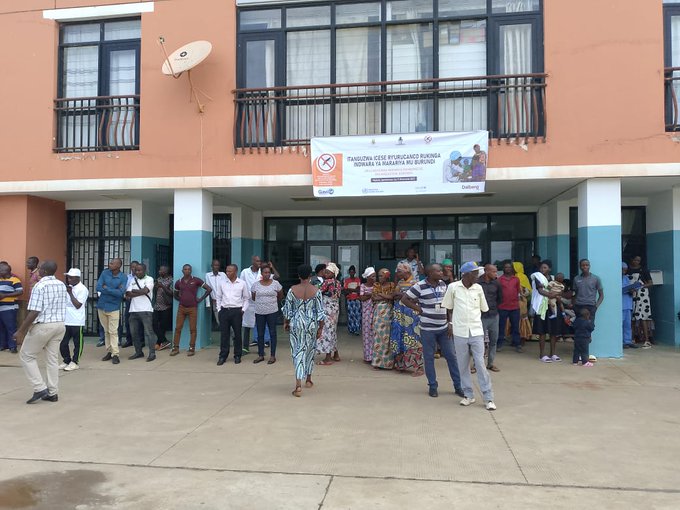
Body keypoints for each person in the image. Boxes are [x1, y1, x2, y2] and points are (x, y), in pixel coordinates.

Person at [401, 264, 463, 398]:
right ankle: (433, 386)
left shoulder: (443, 285)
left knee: (451, 357)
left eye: (441, 270)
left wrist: (450, 323)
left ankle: (458, 386)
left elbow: (448, 305)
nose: (441, 272)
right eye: (438, 271)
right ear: (430, 273)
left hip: (444, 328)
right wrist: (419, 309)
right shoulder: (419, 286)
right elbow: (405, 299)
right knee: (429, 358)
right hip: (427, 329)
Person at [441, 261, 496, 410]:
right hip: (460, 332)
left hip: (476, 331)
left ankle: (488, 398)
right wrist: (450, 324)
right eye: (475, 273)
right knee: (463, 365)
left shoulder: (478, 288)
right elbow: (448, 308)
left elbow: (484, 308)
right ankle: (468, 395)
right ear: (466, 274)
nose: (478, 276)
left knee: (480, 364)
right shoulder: (453, 287)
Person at [14, 260, 67, 404]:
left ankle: (39, 388)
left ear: (44, 271)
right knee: (52, 360)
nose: (38, 271)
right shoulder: (61, 284)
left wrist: (21, 331)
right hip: (60, 325)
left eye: (40, 268)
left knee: (26, 355)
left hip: (44, 326)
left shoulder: (40, 285)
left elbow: (34, 311)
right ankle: (53, 393)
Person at [282, 264, 325, 397]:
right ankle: (309, 379)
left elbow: (287, 310)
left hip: (297, 323)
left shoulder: (292, 290)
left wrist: (286, 322)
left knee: (298, 352)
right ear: (310, 275)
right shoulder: (316, 291)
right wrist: (320, 328)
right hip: (311, 323)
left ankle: (298, 385)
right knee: (310, 350)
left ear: (299, 275)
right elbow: (320, 312)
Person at [170, 264, 212, 357]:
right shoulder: (178, 282)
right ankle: (175, 348)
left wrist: (200, 299)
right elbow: (175, 294)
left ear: (191, 270)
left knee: (193, 329)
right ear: (182, 271)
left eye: (189, 269)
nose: (187, 271)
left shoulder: (196, 280)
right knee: (178, 328)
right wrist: (181, 299)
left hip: (193, 308)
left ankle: (192, 348)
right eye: (185, 269)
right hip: (181, 308)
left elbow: (209, 289)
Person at [391, 262, 423, 376]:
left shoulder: (415, 282)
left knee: (413, 338)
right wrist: (403, 295)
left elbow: (418, 298)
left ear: (407, 271)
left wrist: (402, 295)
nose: (397, 273)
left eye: (399, 271)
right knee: (399, 337)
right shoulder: (400, 282)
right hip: (399, 313)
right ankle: (401, 364)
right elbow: (394, 294)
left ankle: (418, 367)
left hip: (411, 314)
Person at [216, 264, 249, 365]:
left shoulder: (242, 283)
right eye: (227, 271)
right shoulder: (222, 283)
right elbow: (218, 297)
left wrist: (243, 310)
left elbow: (246, 298)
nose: (227, 273)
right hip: (224, 311)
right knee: (224, 335)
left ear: (235, 272)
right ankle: (223, 356)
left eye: (230, 271)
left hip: (236, 311)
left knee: (237, 334)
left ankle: (237, 355)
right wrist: (219, 310)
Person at [97, 258, 126, 365]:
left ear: (118, 265)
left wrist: (106, 288)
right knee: (106, 331)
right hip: (102, 306)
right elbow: (98, 287)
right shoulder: (105, 273)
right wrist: (114, 289)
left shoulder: (123, 277)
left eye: (112, 263)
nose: (110, 264)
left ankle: (115, 354)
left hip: (114, 307)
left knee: (113, 331)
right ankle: (109, 351)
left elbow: (120, 293)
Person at [251, 265, 283, 364]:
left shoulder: (276, 284)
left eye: (269, 272)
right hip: (259, 312)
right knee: (260, 334)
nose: (267, 274)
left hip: (272, 312)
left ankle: (272, 356)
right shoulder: (255, 285)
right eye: (265, 272)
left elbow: (280, 296)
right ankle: (261, 355)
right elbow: (253, 297)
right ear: (261, 274)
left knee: (272, 333)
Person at [530, 261, 561, 363]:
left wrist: (557, 294)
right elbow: (540, 291)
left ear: (550, 269)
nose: (542, 269)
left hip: (552, 306)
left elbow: (558, 288)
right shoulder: (537, 277)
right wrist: (552, 295)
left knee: (553, 331)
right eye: (541, 267)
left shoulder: (553, 278)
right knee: (542, 331)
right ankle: (542, 355)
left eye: (545, 267)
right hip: (542, 307)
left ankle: (553, 354)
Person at [125, 263, 156, 362]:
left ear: (144, 270)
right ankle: (138, 352)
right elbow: (128, 293)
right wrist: (139, 291)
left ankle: (152, 353)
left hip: (146, 310)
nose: (137, 272)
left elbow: (145, 291)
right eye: (136, 270)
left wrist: (135, 291)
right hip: (133, 310)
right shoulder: (133, 280)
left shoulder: (149, 279)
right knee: (134, 333)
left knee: (149, 332)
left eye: (139, 270)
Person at [59, 268, 88, 371]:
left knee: (77, 343)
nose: (69, 279)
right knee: (63, 342)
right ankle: (66, 360)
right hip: (66, 319)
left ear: (77, 278)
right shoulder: (69, 288)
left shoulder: (82, 289)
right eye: (68, 277)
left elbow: (78, 305)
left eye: (71, 278)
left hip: (77, 321)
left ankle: (75, 362)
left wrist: (70, 293)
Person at [478, 264, 502, 372]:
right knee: (479, 341)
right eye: (493, 272)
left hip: (493, 315)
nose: (496, 274)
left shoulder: (497, 283)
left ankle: (490, 363)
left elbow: (500, 298)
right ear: (486, 271)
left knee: (493, 340)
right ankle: (477, 364)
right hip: (480, 316)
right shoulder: (477, 283)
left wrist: (494, 308)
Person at [318, 262, 342, 365]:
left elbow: (318, 292)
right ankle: (336, 354)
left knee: (326, 332)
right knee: (333, 331)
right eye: (325, 272)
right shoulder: (338, 283)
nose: (326, 274)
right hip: (335, 309)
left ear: (333, 273)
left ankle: (328, 358)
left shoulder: (327, 282)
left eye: (328, 272)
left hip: (327, 309)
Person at [371, 268, 395, 370]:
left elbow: (392, 297)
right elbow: (374, 297)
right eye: (379, 276)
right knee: (378, 336)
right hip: (378, 312)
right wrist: (386, 296)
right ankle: (377, 362)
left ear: (387, 276)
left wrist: (381, 295)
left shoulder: (392, 285)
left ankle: (388, 363)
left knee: (387, 337)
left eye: (381, 276)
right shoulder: (376, 285)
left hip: (388, 313)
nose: (379, 278)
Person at [627, 255, 653, 348]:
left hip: (642, 295)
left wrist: (640, 286)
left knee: (643, 317)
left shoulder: (644, 270)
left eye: (638, 260)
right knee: (632, 317)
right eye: (635, 260)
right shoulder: (627, 270)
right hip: (631, 294)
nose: (637, 262)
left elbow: (650, 283)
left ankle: (647, 340)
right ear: (631, 260)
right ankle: (631, 339)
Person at [498, 261, 521, 353]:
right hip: (502, 306)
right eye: (506, 267)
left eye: (509, 267)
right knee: (501, 326)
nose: (508, 269)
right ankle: (499, 344)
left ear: (512, 269)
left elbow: (518, 291)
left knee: (515, 326)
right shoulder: (499, 279)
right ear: (503, 269)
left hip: (514, 307)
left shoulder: (516, 279)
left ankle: (517, 344)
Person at [240, 256, 262, 353]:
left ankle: (260, 349)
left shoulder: (262, 272)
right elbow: (241, 285)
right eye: (257, 261)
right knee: (247, 326)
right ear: (252, 261)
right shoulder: (245, 272)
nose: (259, 262)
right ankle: (245, 348)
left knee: (260, 326)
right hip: (248, 302)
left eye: (260, 261)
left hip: (260, 302)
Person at [0, 262, 23, 353]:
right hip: (0, 308)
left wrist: (5, 295)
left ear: (6, 271)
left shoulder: (15, 280)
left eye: (0, 270)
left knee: (11, 328)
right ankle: (2, 345)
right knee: (1, 328)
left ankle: (12, 346)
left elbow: (20, 292)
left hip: (9, 308)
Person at [572, 259, 604, 323]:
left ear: (589, 266)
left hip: (590, 307)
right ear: (580, 267)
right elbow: (574, 293)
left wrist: (596, 307)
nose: (585, 267)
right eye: (583, 265)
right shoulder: (576, 279)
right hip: (578, 306)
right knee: (579, 326)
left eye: (587, 265)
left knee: (589, 326)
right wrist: (574, 305)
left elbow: (601, 295)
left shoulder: (596, 278)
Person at [152, 266, 173, 350]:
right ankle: (164, 341)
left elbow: (171, 293)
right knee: (153, 324)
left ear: (166, 271)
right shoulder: (158, 279)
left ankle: (159, 343)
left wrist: (162, 286)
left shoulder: (171, 280)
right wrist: (155, 287)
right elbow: (155, 292)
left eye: (161, 270)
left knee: (162, 326)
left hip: (166, 306)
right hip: (157, 306)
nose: (159, 271)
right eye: (159, 270)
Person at [120, 260, 140, 349]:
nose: (134, 269)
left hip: (138, 301)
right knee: (128, 321)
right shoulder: (127, 277)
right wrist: (126, 294)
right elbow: (123, 288)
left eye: (136, 267)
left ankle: (140, 341)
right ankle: (129, 340)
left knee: (139, 321)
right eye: (132, 267)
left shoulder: (141, 277)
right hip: (129, 301)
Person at [513, 261, 533, 347]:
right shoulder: (524, 277)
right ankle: (521, 339)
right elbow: (528, 291)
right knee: (522, 320)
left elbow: (524, 290)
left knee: (519, 320)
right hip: (522, 301)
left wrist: (520, 294)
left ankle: (520, 339)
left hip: (519, 301)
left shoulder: (518, 276)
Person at [359, 267, 376, 363]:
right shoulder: (363, 286)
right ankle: (367, 356)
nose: (374, 278)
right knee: (366, 334)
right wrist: (371, 294)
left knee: (374, 333)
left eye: (375, 276)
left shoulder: (377, 286)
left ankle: (374, 356)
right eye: (372, 276)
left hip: (376, 312)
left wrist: (369, 295)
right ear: (368, 277)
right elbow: (362, 298)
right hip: (366, 312)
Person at [205, 259, 227, 328]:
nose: (216, 267)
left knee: (227, 319)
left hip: (224, 301)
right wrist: (208, 304)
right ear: (212, 266)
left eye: (218, 265)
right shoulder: (208, 275)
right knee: (219, 321)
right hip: (215, 302)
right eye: (215, 265)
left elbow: (227, 286)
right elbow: (207, 290)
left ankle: (231, 333)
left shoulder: (223, 275)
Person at [622, 262, 639, 349]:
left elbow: (629, 288)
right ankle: (622, 342)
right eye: (623, 270)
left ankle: (628, 341)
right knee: (620, 324)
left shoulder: (626, 278)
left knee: (628, 324)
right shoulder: (616, 278)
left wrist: (633, 289)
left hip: (628, 305)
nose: (624, 272)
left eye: (625, 270)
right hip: (620, 305)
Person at [343, 265, 362, 335]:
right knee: (351, 315)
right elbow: (345, 290)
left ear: (355, 272)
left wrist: (350, 289)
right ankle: (351, 329)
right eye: (350, 272)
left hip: (357, 299)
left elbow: (359, 290)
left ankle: (357, 330)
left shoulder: (358, 280)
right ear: (349, 272)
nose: (352, 273)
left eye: (353, 272)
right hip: (350, 300)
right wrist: (354, 290)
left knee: (357, 315)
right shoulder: (346, 280)